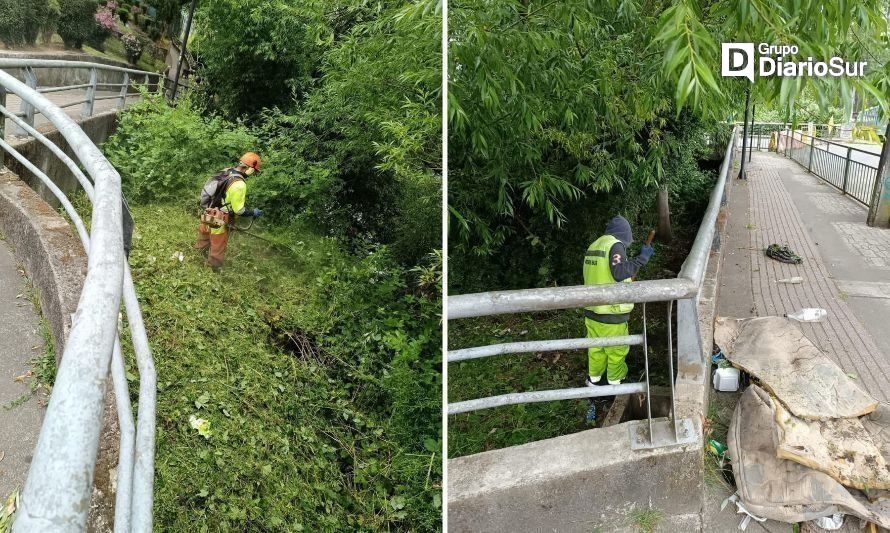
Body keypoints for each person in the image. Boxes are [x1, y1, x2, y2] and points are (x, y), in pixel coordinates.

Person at [582, 215, 654, 386]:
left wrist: (632, 262)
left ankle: (594, 381)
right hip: (611, 313)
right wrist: (641, 259)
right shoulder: (615, 244)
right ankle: (615, 383)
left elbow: (608, 271)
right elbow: (619, 272)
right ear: (625, 234)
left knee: (595, 349)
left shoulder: (596, 245)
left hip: (592, 311)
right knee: (617, 350)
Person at [195, 152, 264, 270]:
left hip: (208, 210)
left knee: (204, 235)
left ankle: (197, 255)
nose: (253, 174)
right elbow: (239, 210)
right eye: (254, 171)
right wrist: (253, 212)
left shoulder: (226, 171)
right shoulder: (239, 184)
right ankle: (212, 268)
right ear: (249, 168)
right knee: (218, 243)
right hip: (220, 217)